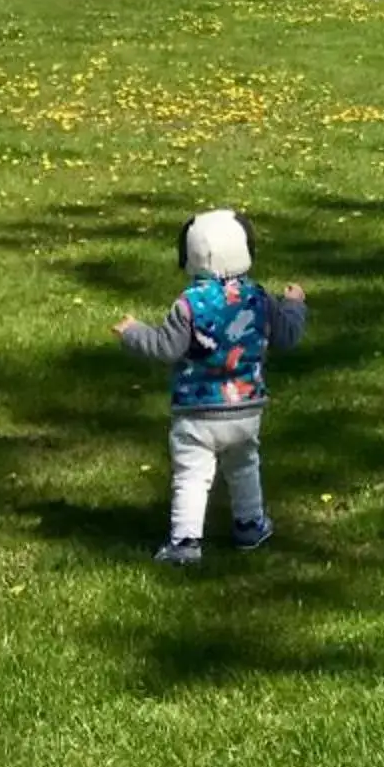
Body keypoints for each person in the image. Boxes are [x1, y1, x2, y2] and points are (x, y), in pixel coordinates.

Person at [113, 208, 309, 566]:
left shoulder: (189, 305)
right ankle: (250, 525)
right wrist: (295, 305)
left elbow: (164, 347)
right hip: (245, 409)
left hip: (196, 411)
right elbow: (289, 335)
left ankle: (185, 543)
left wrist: (132, 333)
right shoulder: (259, 299)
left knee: (191, 475)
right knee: (244, 464)